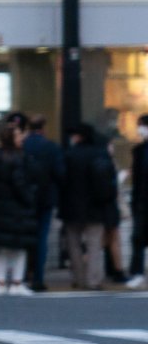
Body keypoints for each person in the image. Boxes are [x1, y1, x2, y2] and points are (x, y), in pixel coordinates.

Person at [0, 121, 42, 295]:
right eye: (18, 135)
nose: (22, 138)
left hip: (0, 209)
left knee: (3, 250)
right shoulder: (19, 159)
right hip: (18, 210)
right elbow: (21, 185)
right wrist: (30, 197)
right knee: (20, 249)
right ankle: (17, 282)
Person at [58, 123, 117, 291]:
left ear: (78, 137)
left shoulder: (69, 154)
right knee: (94, 244)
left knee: (74, 244)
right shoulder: (100, 154)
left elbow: (61, 179)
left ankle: (79, 278)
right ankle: (94, 280)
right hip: (96, 206)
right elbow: (109, 179)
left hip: (71, 206)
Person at [21, 113, 65, 292]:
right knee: (41, 238)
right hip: (45, 197)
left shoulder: (22, 145)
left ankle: (22, 275)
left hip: (23, 198)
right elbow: (60, 173)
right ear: (43, 128)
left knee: (23, 238)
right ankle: (37, 277)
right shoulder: (51, 147)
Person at [129, 112, 148, 288]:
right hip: (141, 201)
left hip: (141, 201)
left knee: (138, 237)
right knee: (138, 238)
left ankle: (137, 272)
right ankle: (136, 272)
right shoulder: (139, 150)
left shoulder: (140, 151)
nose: (139, 129)